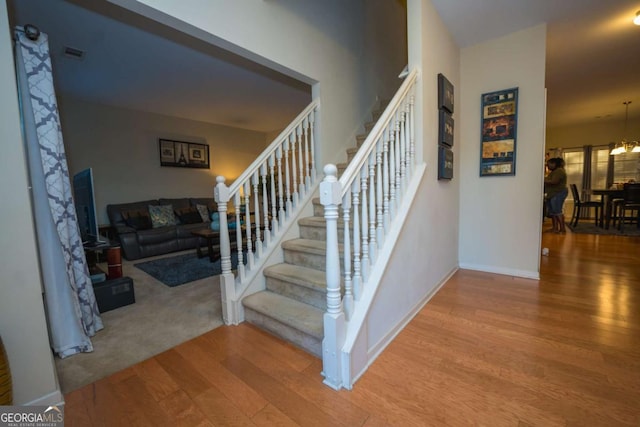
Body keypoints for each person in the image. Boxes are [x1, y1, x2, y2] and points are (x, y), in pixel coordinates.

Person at [544, 157, 568, 233]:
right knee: (553, 212)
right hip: (553, 194)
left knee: (557, 211)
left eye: (549, 164)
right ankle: (555, 228)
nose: (547, 166)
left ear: (554, 164)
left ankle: (562, 229)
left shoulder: (559, 171)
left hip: (558, 193)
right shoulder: (554, 172)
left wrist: (543, 180)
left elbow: (554, 181)